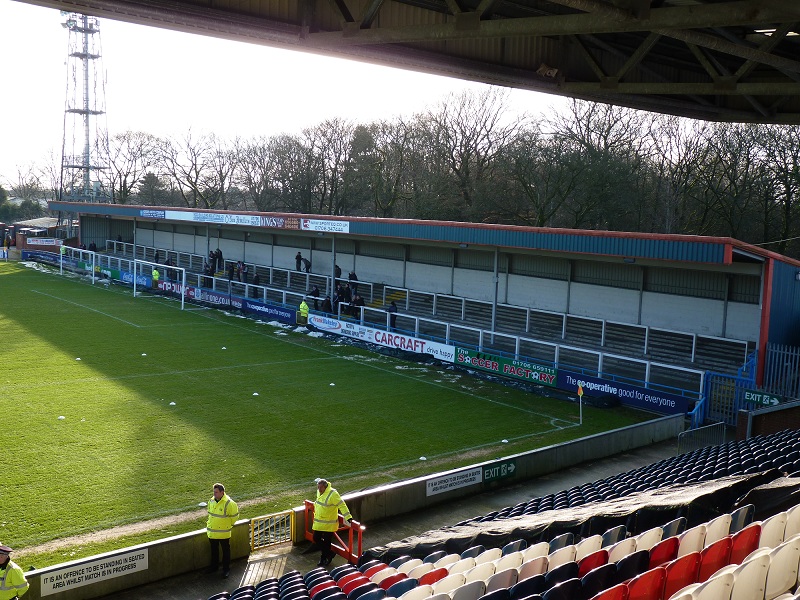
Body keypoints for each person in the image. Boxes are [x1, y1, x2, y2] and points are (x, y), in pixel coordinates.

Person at [312, 478, 353, 567]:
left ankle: (324, 558)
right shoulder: (320, 492)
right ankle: (330, 553)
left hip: (329, 524)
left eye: (320, 487)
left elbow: (342, 505)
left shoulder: (333, 494)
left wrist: (348, 517)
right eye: (318, 487)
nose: (319, 489)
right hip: (320, 522)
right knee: (316, 538)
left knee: (327, 542)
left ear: (325, 487)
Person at [206, 483, 239, 579]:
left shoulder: (229, 503)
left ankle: (226, 569)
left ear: (222, 492)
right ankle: (214, 567)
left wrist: (228, 526)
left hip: (224, 533)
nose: (214, 494)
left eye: (216, 492)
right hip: (212, 532)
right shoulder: (211, 501)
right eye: (214, 492)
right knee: (214, 551)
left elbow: (234, 517)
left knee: (226, 552)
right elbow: (210, 515)